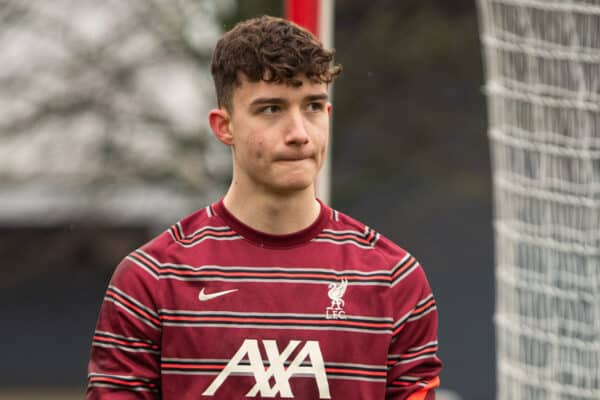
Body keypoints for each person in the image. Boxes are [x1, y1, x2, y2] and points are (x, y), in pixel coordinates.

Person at [86, 15, 442, 400]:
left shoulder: (393, 279)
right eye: (271, 109)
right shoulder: (150, 280)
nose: (299, 134)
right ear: (224, 127)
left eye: (312, 107)